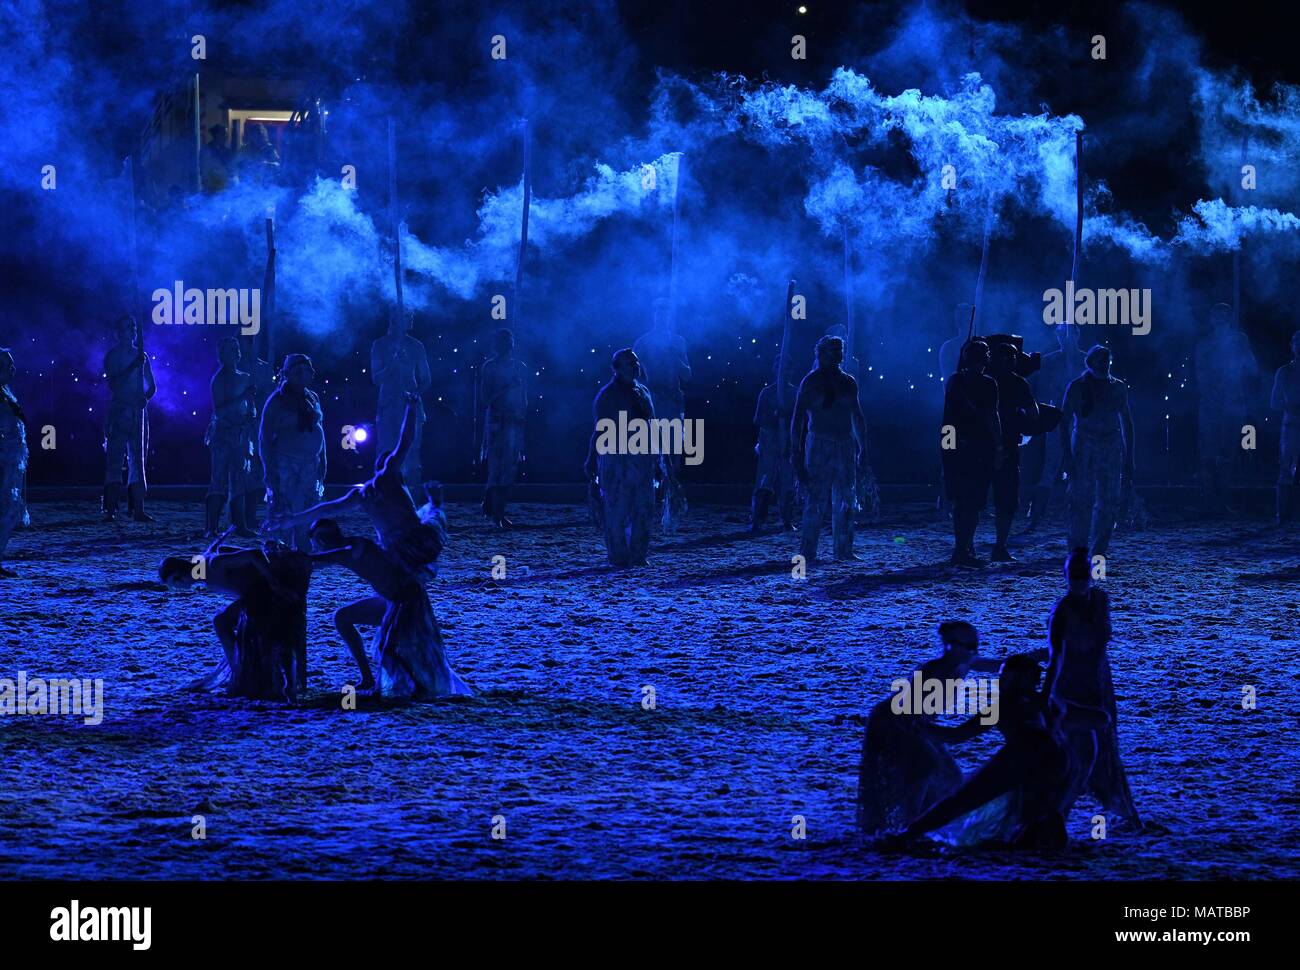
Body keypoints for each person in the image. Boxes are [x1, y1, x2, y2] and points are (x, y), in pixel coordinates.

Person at [891, 654, 1081, 849]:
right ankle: (1048, 841)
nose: (1001, 682)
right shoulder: (1047, 702)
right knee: (1037, 812)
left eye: (1006, 677)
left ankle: (909, 833)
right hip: (1061, 755)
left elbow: (957, 735)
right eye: (1001, 677)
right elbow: (1096, 717)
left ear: (1020, 679)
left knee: (964, 797)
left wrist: (919, 727)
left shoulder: (1003, 706)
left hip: (1026, 750)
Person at [857, 620, 1003, 837]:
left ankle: (916, 825)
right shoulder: (930, 672)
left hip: (918, 723)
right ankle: (909, 826)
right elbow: (905, 712)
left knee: (944, 774)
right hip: (894, 722)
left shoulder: (964, 663)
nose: (975, 651)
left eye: (975, 645)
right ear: (950, 645)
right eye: (970, 646)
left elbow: (1000, 665)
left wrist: (1046, 655)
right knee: (923, 769)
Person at [307, 517, 472, 699]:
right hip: (391, 600)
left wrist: (294, 555)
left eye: (318, 541)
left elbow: (321, 557)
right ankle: (368, 678)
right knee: (342, 617)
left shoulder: (351, 548)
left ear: (322, 540)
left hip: (407, 599)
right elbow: (321, 560)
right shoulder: (348, 546)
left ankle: (418, 688)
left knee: (387, 649)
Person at [1045, 547, 1142, 828]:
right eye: (1074, 576)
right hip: (1074, 683)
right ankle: (1062, 812)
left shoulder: (1100, 600)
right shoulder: (1062, 611)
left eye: (1081, 575)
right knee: (1083, 748)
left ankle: (1124, 810)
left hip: (1098, 681)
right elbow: (1057, 658)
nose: (1078, 581)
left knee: (1106, 745)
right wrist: (1047, 694)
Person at [160, 536, 311, 703]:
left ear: (179, 576)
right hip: (255, 596)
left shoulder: (212, 565)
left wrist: (274, 582)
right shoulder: (203, 568)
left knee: (225, 622)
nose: (179, 588)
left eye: (175, 583)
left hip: (269, 592)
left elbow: (254, 554)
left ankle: (242, 673)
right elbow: (223, 551)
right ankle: (239, 670)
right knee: (221, 621)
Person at [792, 335, 865, 563]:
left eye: (840, 350)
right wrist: (796, 453)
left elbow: (857, 416)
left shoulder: (849, 382)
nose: (838, 355)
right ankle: (808, 551)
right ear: (821, 353)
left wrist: (863, 447)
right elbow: (798, 420)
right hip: (819, 444)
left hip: (844, 445)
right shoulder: (811, 382)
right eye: (833, 350)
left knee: (846, 498)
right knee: (815, 498)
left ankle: (844, 549)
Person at [585, 348, 659, 568]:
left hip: (642, 458)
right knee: (617, 509)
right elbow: (600, 429)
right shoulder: (608, 396)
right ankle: (618, 556)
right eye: (630, 363)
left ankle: (638, 555)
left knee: (644, 507)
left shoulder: (643, 392)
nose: (635, 366)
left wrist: (658, 458)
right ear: (616, 368)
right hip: (617, 458)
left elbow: (652, 425)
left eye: (636, 362)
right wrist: (591, 458)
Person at [1059, 345, 1135, 560]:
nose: (1104, 363)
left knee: (1109, 501)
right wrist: (1068, 458)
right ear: (1090, 363)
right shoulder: (1076, 387)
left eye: (1106, 359)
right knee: (1080, 500)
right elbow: (1063, 423)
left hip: (1110, 445)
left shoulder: (1118, 388)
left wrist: (1130, 458)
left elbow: (1127, 422)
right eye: (1100, 359)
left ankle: (1099, 551)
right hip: (1084, 444)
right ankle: (1077, 551)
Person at [941, 339, 1003, 566]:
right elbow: (991, 417)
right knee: (973, 501)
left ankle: (963, 547)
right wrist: (998, 446)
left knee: (961, 501)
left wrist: (947, 451)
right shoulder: (988, 384)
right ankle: (963, 550)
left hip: (954, 443)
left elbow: (947, 421)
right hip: (978, 446)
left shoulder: (954, 381)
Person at [633, 298, 692, 528]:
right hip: (650, 403)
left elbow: (687, 375)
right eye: (659, 312)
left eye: (666, 312)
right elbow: (633, 376)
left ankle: (670, 503)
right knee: (648, 454)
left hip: (672, 403)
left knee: (673, 454)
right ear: (653, 314)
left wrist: (676, 358)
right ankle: (647, 502)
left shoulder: (678, 342)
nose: (662, 316)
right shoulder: (643, 343)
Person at [1194, 303, 1257, 516]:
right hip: (1212, 402)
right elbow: (1200, 372)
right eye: (1216, 316)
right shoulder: (1205, 344)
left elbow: (1251, 367)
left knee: (1228, 450)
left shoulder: (1239, 340)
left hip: (1232, 400)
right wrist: (1211, 392)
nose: (1219, 319)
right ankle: (1209, 500)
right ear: (1212, 319)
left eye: (1223, 316)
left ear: (1229, 318)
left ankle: (1221, 500)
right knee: (1208, 451)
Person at [259, 354, 326, 552]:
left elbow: (321, 430)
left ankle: (303, 556)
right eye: (299, 371)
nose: (303, 375)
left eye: (306, 370)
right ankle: (281, 557)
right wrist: (268, 470)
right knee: (283, 513)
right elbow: (264, 438)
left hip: (309, 465)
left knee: (307, 512)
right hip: (285, 465)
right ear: (288, 374)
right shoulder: (276, 402)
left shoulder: (312, 398)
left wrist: (323, 461)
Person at [1025, 322, 1084, 530]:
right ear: (1057, 337)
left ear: (1077, 335)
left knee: (1083, 470)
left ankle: (1080, 517)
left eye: (1069, 334)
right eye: (1061, 334)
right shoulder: (1049, 361)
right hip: (1058, 420)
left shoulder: (1086, 361)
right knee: (1049, 469)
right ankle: (1036, 517)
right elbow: (1036, 389)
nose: (1066, 338)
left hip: (1081, 423)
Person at [988, 341, 1039, 562]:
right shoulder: (1018, 383)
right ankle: (999, 546)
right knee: (1005, 498)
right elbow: (1033, 413)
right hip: (1006, 445)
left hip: (979, 445)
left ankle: (967, 547)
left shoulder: (981, 381)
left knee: (976, 499)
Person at [370, 308, 430, 493]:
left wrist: (415, 393)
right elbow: (376, 379)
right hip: (388, 407)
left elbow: (426, 379)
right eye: (407, 315)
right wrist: (393, 362)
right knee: (386, 452)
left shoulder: (416, 346)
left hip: (410, 407)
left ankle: (412, 499)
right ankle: (385, 497)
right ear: (395, 318)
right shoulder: (379, 345)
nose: (412, 318)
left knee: (412, 454)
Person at [102, 315, 156, 522]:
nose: (132, 330)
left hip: (138, 413)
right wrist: (134, 366)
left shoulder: (142, 356)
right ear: (118, 332)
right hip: (119, 411)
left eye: (133, 327)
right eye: (127, 327)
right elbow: (114, 384)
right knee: (115, 460)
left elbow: (151, 385)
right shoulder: (113, 356)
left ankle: (138, 508)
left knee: (138, 460)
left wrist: (146, 397)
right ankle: (110, 509)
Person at [205, 338, 256, 537]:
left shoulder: (245, 377)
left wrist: (250, 411)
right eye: (230, 350)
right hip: (222, 434)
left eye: (236, 349)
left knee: (238, 479)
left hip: (241, 434)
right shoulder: (219, 380)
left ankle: (239, 525)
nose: (236, 352)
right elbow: (220, 409)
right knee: (218, 479)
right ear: (222, 354)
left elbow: (250, 407)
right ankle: (211, 527)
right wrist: (242, 398)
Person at [479, 327, 528, 527]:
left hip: (514, 422)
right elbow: (485, 400)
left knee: (510, 468)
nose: (506, 345)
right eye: (502, 341)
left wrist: (522, 418)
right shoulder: (489, 367)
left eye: (509, 340)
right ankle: (495, 510)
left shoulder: (520, 367)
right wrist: (507, 388)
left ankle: (499, 511)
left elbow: (523, 398)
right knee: (496, 467)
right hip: (496, 421)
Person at [749, 356, 798, 533]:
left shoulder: (795, 393)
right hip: (769, 443)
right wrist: (774, 416)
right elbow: (757, 419)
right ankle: (757, 520)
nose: (785, 373)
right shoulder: (767, 392)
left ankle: (786, 519)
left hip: (788, 443)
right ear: (775, 370)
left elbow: (802, 418)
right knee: (764, 483)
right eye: (781, 369)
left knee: (788, 484)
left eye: (788, 369)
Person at [238, 335, 276, 529]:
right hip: (241, 423)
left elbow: (272, 393)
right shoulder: (235, 368)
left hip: (260, 423)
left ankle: (254, 514)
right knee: (244, 471)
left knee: (259, 470)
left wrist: (262, 393)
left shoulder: (264, 367)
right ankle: (242, 516)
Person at [0, 348, 29, 578]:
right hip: (3, 461)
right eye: (6, 365)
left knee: (8, 508)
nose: (12, 369)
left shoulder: (6, 393)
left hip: (11, 462)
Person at [1269, 330, 1300, 525]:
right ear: (1292, 346)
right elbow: (1274, 402)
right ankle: (1283, 514)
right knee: (1286, 469)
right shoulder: (1285, 372)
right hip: (1292, 424)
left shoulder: (1285, 372)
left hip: (1291, 423)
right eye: (1298, 342)